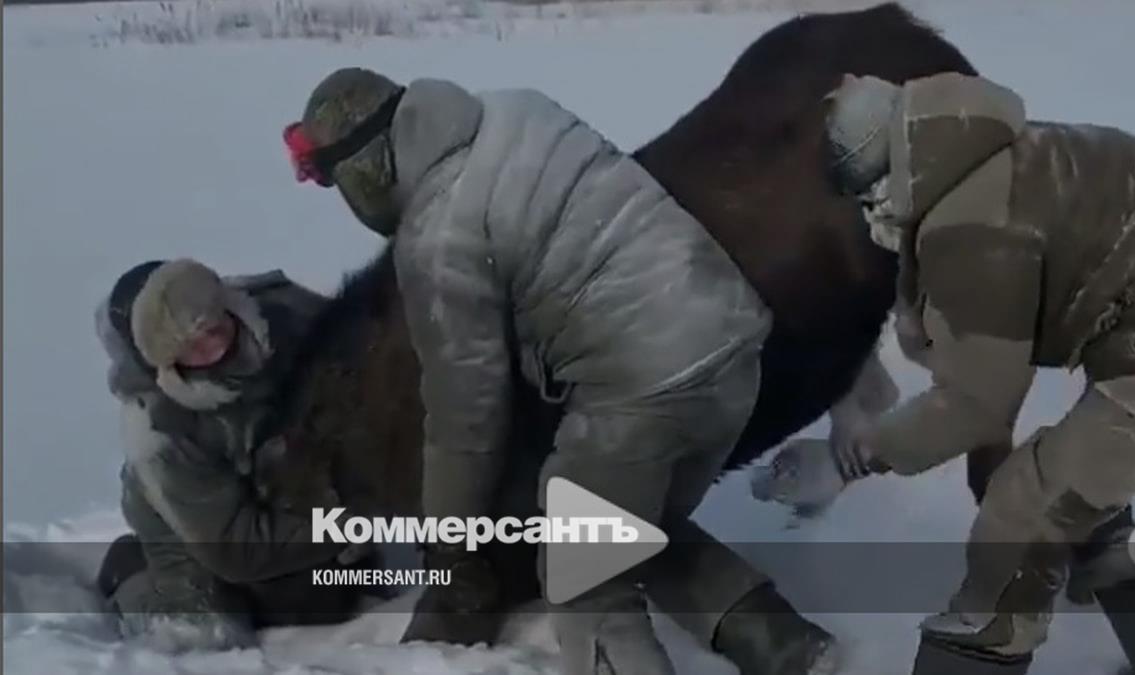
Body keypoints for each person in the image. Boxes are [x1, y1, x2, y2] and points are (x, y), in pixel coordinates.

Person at [282, 67, 838, 675]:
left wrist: (449, 540)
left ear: (365, 169)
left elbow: (467, 413)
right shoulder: (514, 110)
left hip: (648, 385)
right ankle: (787, 647)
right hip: (730, 340)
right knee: (624, 521)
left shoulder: (437, 238)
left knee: (583, 584)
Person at [784, 71, 1135, 674]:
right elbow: (987, 369)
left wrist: (859, 454)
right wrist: (986, 452)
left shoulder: (970, 227)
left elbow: (975, 403)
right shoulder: (970, 160)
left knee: (1023, 523)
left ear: (879, 181)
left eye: (860, 199)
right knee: (1075, 494)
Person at [94, 258, 374, 651]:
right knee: (209, 636)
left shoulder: (288, 312)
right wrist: (355, 523)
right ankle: (131, 572)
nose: (214, 344)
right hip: (201, 530)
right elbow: (236, 550)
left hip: (277, 481)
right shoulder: (159, 430)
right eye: (191, 346)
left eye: (213, 326)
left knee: (335, 592)